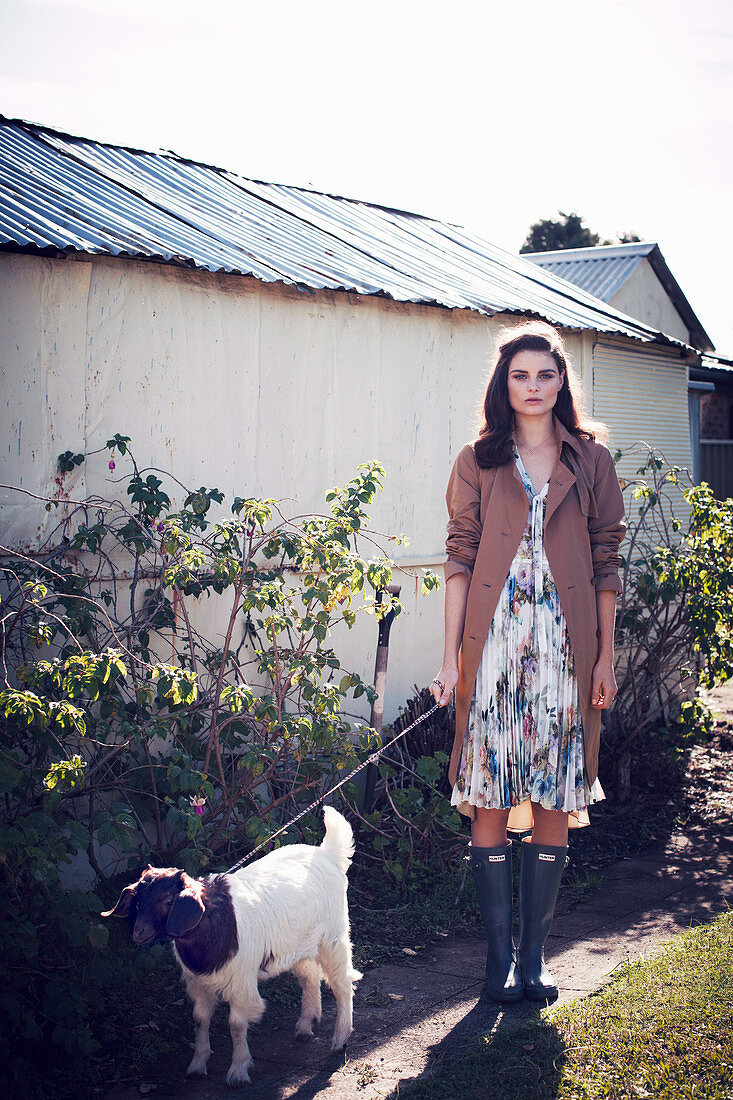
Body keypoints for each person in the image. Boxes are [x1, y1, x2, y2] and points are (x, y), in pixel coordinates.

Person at [430, 321, 625, 1003]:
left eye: (545, 375)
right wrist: (450, 656)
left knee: (551, 791)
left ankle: (535, 958)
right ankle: (497, 961)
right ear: (502, 382)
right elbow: (457, 560)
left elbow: (606, 562)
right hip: (491, 653)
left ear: (561, 380)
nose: (533, 387)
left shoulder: (590, 460)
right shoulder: (477, 459)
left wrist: (604, 657)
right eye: (520, 375)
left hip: (564, 655)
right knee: (487, 790)